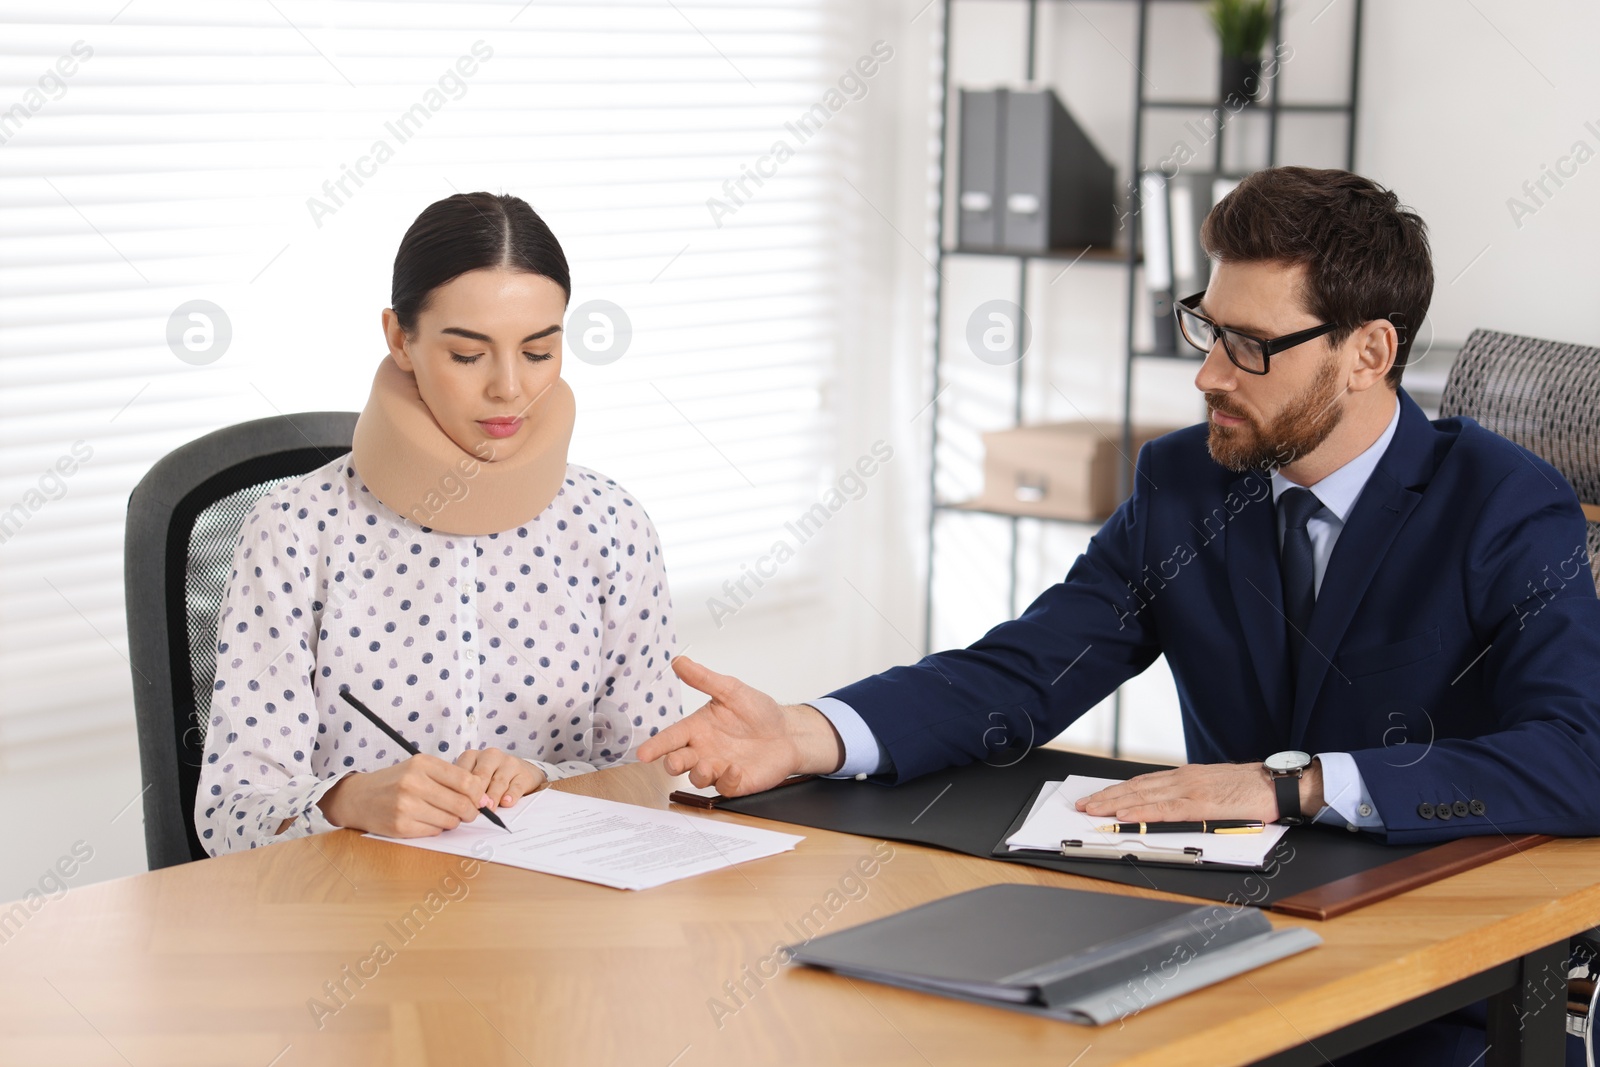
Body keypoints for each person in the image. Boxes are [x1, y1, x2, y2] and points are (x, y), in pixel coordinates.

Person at [637, 167, 1600, 1066]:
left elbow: (1580, 756)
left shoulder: (1506, 505)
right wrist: (810, 733)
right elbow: (1029, 666)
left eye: (1251, 345)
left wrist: (1294, 786)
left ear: (1369, 353)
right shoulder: (1184, 481)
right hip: (1205, 948)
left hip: (1429, 984)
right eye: (1207, 329)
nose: (1209, 375)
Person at [196, 192, 682, 855]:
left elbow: (654, 777)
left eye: (538, 352)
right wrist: (347, 799)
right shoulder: (294, 529)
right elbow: (229, 815)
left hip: (561, 913)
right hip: (353, 921)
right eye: (467, 354)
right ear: (400, 339)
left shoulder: (613, 525)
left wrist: (543, 779)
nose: (509, 387)